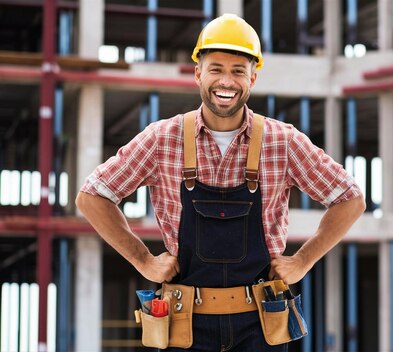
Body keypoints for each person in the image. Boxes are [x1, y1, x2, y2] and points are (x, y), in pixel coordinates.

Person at [75, 13, 365, 351]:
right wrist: (144, 261)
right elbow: (93, 196)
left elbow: (350, 198)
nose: (226, 81)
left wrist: (304, 260)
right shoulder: (162, 139)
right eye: (216, 69)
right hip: (185, 325)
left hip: (261, 324)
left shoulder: (281, 141)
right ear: (198, 73)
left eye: (238, 71)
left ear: (253, 78)